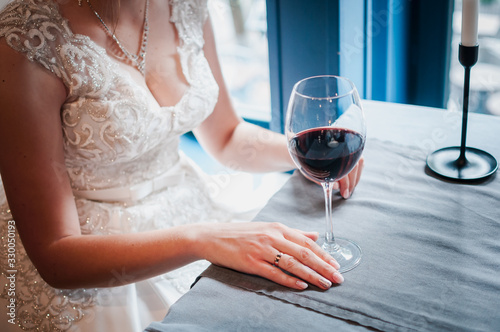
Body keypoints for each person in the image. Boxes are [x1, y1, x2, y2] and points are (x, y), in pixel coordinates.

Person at [0, 0, 364, 331]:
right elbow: (56, 256)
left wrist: (307, 153)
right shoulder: (26, 41)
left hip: (192, 206)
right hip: (97, 257)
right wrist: (205, 239)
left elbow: (226, 138)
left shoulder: (186, 6)